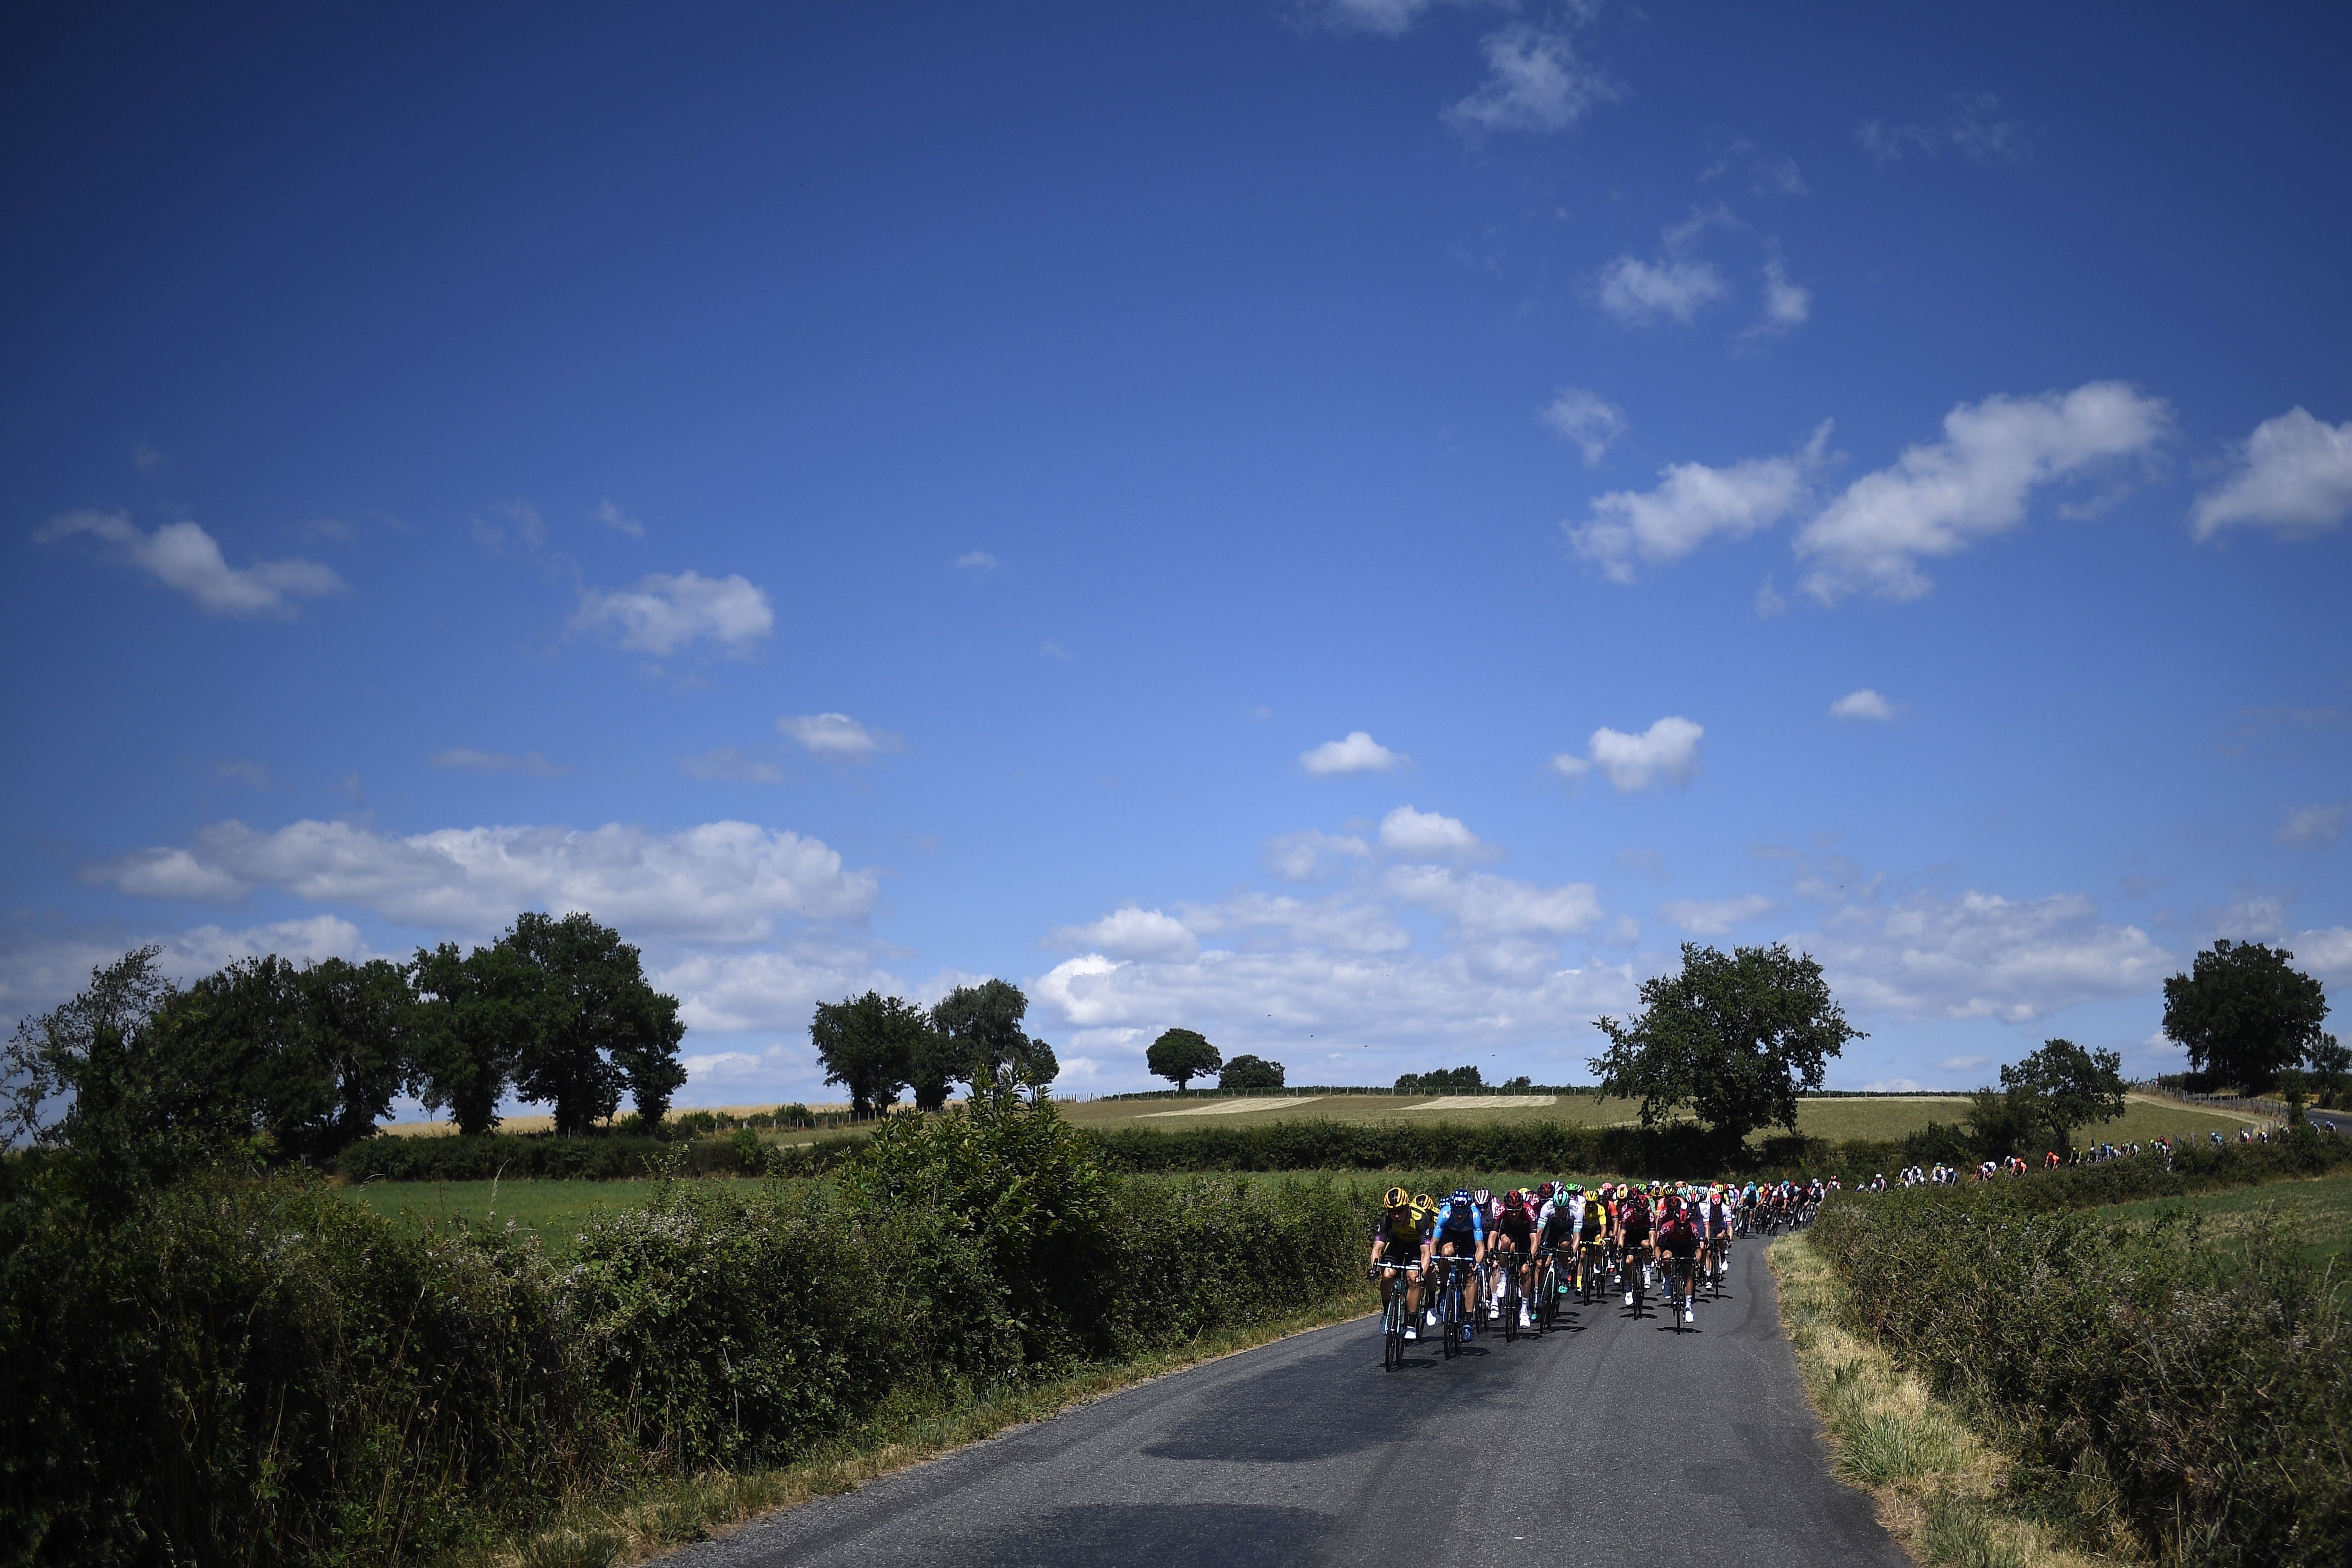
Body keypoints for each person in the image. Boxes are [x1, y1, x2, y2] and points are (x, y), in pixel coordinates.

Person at [1369, 1186, 1428, 1340]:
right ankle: (1386, 1313)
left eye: (1400, 1211)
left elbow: (1425, 1253)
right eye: (1392, 1212)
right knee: (1387, 1275)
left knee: (1413, 1277)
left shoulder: (1420, 1218)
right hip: (1397, 1245)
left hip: (1416, 1247)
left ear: (1408, 1207)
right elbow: (1377, 1248)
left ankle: (1410, 1325)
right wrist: (1375, 1268)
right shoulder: (1386, 1220)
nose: (1396, 1215)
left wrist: (1422, 1273)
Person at [1428, 1188, 1486, 1341]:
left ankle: (1468, 1322)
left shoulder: (1475, 1216)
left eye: (1463, 1211)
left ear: (1469, 1209)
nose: (1459, 1215)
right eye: (1456, 1211)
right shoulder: (1445, 1213)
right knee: (1446, 1253)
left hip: (1469, 1238)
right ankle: (1444, 1290)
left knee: (1470, 1274)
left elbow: (1480, 1248)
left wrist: (1477, 1263)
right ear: (1452, 1208)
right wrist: (1433, 1260)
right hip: (1450, 1235)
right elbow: (1434, 1243)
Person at [1493, 1188, 1537, 1327]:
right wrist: (1491, 1251)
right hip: (1509, 1230)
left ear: (1521, 1207)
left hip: (1525, 1234)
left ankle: (1524, 1310)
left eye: (1517, 1211)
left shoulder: (1529, 1210)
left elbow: (1535, 1239)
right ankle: (1503, 1277)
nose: (1513, 1214)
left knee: (1525, 1271)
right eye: (1510, 1211)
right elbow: (1493, 1234)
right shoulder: (1501, 1210)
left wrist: (1531, 1257)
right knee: (1506, 1242)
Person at [1657, 1196, 1702, 1323]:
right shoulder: (1666, 1227)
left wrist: (1697, 1262)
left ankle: (1688, 1307)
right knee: (1666, 1258)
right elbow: (1658, 1247)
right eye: (1679, 1225)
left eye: (1685, 1226)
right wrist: (1659, 1261)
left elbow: (1698, 1249)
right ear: (1675, 1222)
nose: (1682, 1228)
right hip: (1671, 1245)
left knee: (1688, 1273)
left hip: (1686, 1246)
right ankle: (1667, 1281)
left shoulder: (1693, 1229)